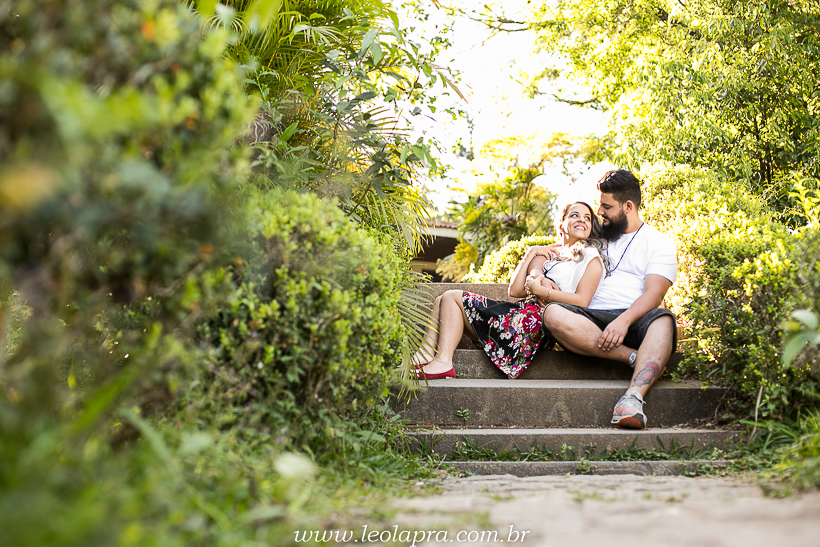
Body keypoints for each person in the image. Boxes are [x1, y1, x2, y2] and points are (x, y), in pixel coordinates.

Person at [542, 170, 678, 429]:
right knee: (552, 313)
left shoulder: (658, 243)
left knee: (664, 321)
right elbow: (561, 250)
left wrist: (624, 321)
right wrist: (540, 268)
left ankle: (633, 398)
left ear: (628, 207)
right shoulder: (596, 235)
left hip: (633, 318)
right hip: (586, 320)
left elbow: (654, 293)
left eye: (606, 207)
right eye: (600, 205)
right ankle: (634, 358)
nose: (599, 212)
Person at [413, 201, 609, 380]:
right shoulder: (553, 254)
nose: (582, 220)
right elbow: (514, 290)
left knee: (451, 297)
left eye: (587, 218)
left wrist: (541, 291)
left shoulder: (590, 256)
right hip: (521, 315)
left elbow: (582, 301)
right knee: (441, 300)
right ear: (561, 224)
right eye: (575, 215)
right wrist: (530, 252)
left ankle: (443, 361)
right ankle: (423, 356)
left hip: (535, 326)